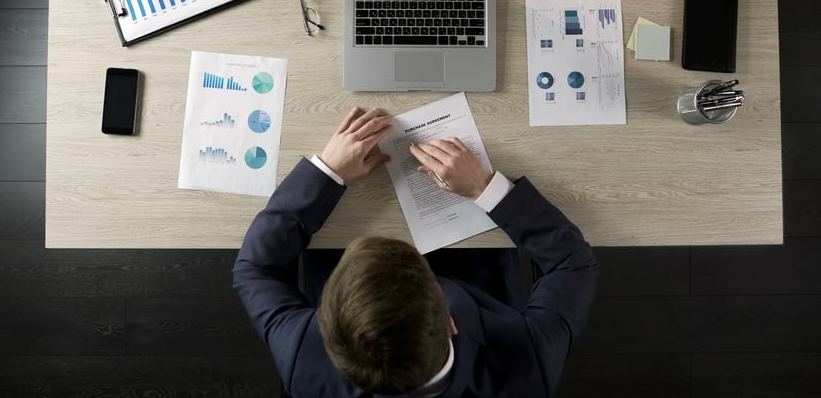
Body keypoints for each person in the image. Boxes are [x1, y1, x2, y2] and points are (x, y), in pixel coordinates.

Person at [233, 107, 599, 397]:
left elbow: (255, 268)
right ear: (450, 323)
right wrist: (486, 189)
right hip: (479, 278)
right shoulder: (525, 368)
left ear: (328, 331)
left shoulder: (303, 362)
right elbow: (573, 262)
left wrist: (326, 172)